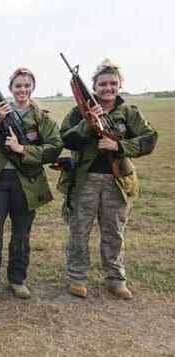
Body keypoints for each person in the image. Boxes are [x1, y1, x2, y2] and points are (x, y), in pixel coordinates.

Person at [59, 59, 157, 300]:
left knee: (114, 233)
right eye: (103, 84)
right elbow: (66, 139)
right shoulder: (78, 112)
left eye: (113, 83)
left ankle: (115, 279)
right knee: (79, 232)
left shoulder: (129, 113)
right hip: (84, 181)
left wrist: (119, 145)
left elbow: (150, 139)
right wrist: (88, 122)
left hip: (117, 180)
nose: (108, 88)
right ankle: (77, 278)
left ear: (119, 85)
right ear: (94, 86)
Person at [0, 68, 62, 308]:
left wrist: (24, 150)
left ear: (32, 88)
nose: (22, 90)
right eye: (17, 86)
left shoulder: (42, 118)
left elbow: (54, 147)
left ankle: (17, 279)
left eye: (26, 86)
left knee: (21, 235)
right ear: (10, 89)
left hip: (27, 183)